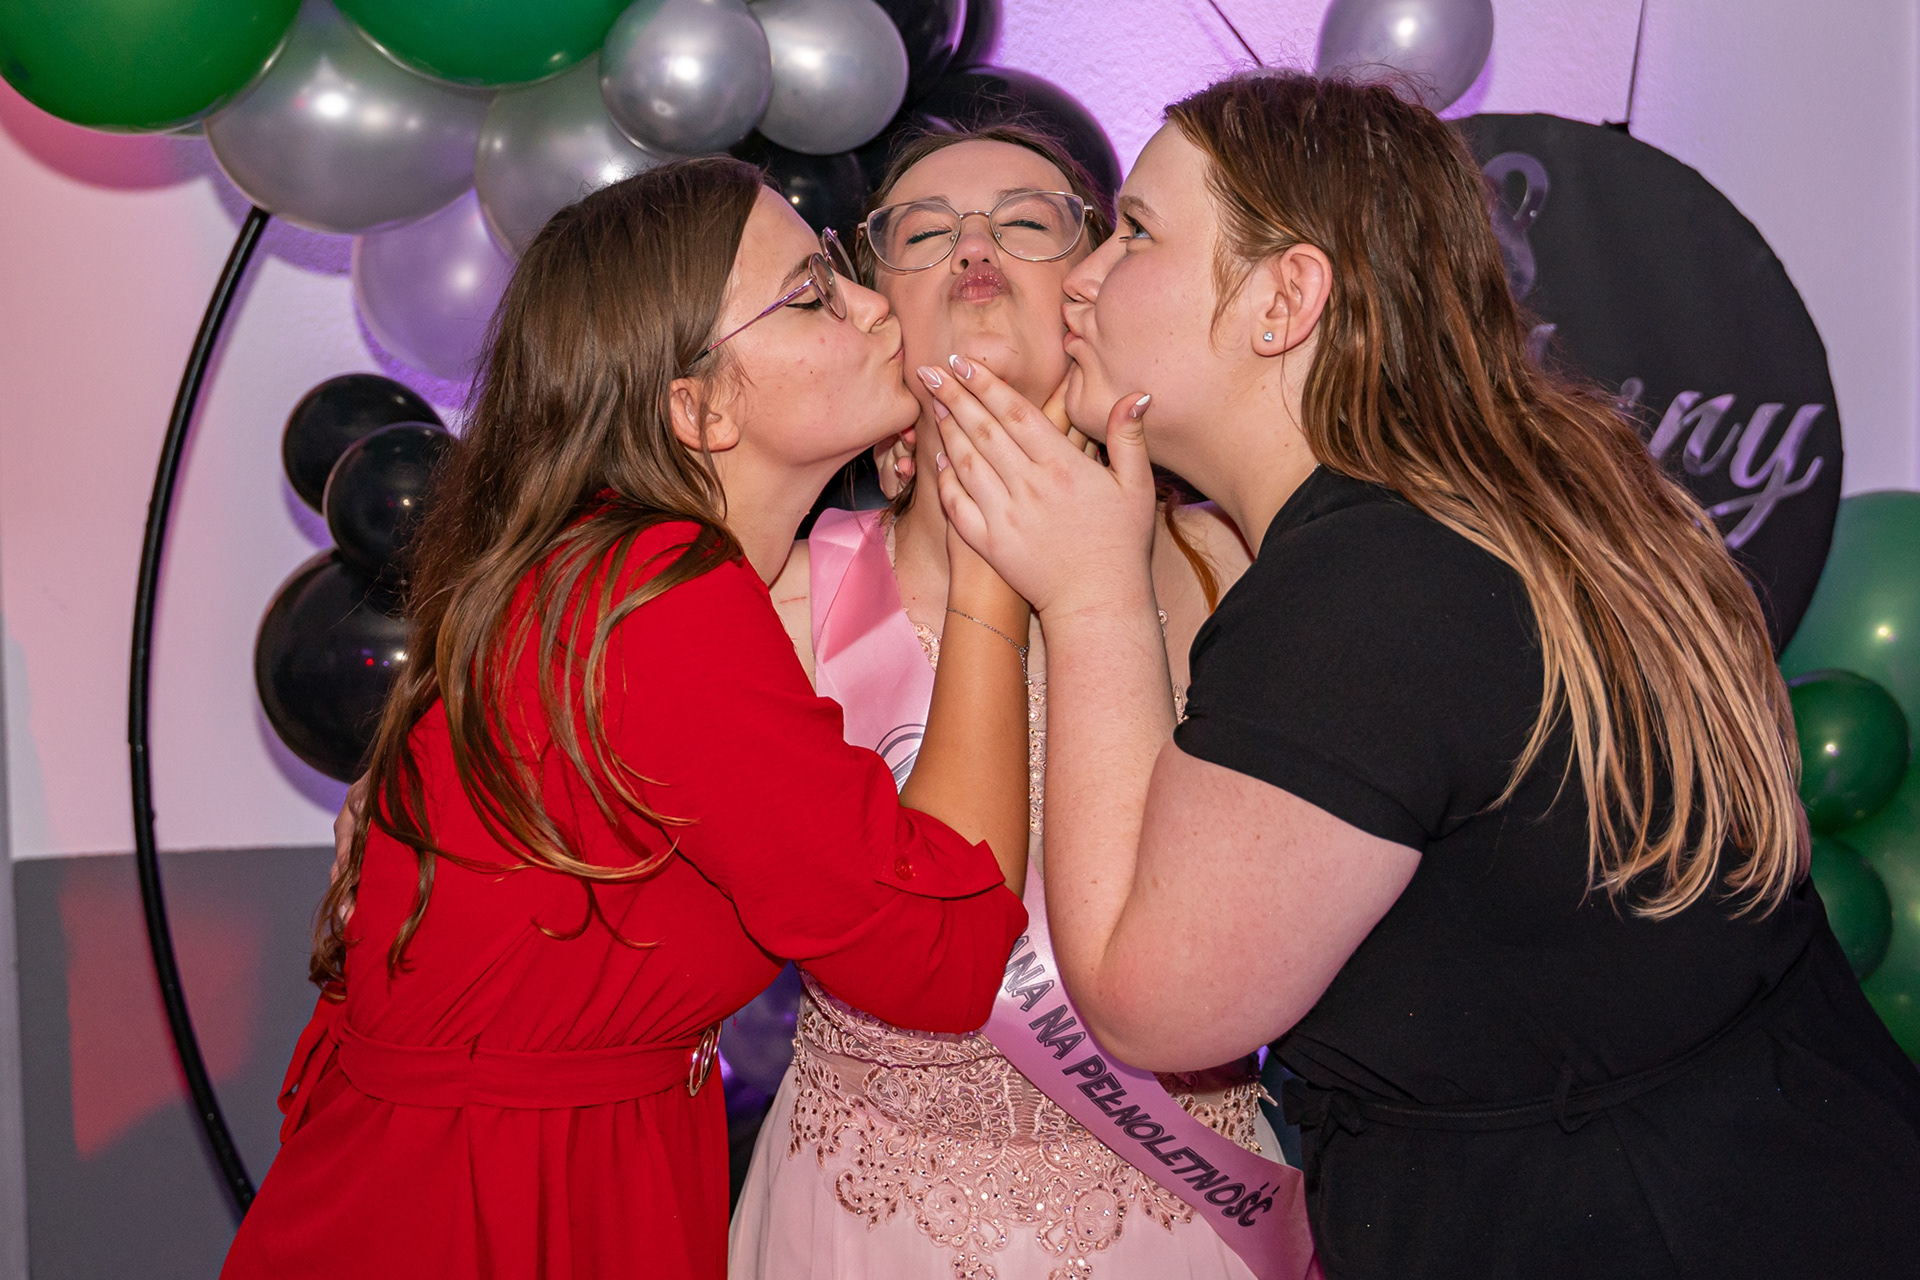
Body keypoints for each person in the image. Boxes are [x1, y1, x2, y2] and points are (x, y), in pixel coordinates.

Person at [922, 72, 1920, 1279]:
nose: (1084, 277)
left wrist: (1092, 593)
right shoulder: (1490, 506)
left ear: (1285, 299)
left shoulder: (1369, 589)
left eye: (1136, 230)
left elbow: (1152, 1000)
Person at [221, 156, 1034, 1280]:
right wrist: (994, 571)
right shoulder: (661, 602)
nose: (871, 305)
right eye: (812, 295)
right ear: (696, 407)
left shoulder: (619, 571)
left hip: (529, 1162)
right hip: (489, 1208)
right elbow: (939, 952)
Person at [727, 125, 1261, 1280]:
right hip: (860, 1227)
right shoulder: (777, 600)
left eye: (1026, 222)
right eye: (924, 234)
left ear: (1101, 280)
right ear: (873, 314)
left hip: (1188, 1220)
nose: (975, 248)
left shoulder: (1236, 566)